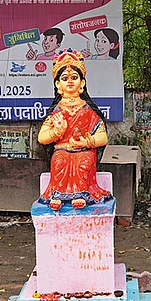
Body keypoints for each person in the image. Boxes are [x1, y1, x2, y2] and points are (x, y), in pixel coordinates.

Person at [37, 49, 112, 210]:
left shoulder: (88, 110)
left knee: (84, 161)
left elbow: (103, 137)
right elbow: (42, 138)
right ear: (58, 84)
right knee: (59, 161)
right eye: (65, 78)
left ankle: (81, 194)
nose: (70, 81)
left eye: (74, 77)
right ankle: (57, 194)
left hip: (84, 149)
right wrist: (56, 132)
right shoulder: (56, 112)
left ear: (82, 83)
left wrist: (85, 141)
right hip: (62, 150)